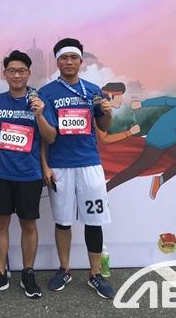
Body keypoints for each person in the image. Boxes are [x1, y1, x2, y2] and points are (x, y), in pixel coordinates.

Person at [0, 50, 56, 298]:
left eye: (21, 71)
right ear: (5, 73)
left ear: (29, 73)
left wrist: (39, 115)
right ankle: (0, 274)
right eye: (12, 71)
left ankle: (28, 273)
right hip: (2, 174)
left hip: (29, 174)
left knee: (28, 225)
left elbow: (51, 137)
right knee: (0, 224)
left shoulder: (39, 101)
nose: (17, 75)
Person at [38, 37, 115, 300]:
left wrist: (108, 112)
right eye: (64, 58)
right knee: (63, 221)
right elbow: (45, 136)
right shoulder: (47, 93)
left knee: (94, 221)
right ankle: (65, 269)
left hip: (89, 164)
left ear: (81, 61)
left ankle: (95, 273)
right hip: (60, 166)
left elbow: (103, 126)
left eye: (73, 57)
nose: (69, 62)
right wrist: (45, 166)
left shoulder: (93, 90)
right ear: (57, 61)